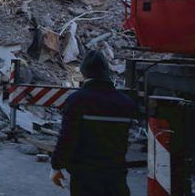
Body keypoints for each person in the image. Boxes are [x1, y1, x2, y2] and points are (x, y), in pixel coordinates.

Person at [50, 50, 138, 196]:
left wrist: (56, 166)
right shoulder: (126, 103)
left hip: (85, 178)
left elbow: (67, 138)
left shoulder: (77, 101)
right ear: (106, 71)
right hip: (116, 177)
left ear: (84, 73)